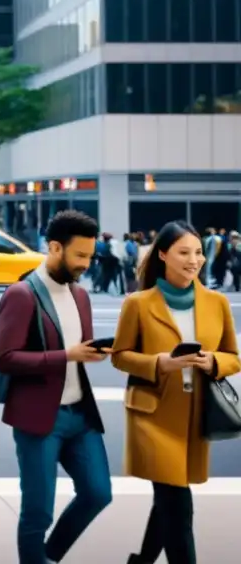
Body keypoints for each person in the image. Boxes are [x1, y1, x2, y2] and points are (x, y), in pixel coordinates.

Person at [111, 220, 240, 564]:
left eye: (198, 252)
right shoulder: (138, 303)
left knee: (168, 499)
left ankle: (141, 561)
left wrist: (213, 361)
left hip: (195, 414)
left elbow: (233, 358)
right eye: (184, 252)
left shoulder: (217, 303)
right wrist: (159, 364)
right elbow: (121, 357)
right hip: (152, 414)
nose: (194, 260)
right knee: (179, 506)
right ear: (164, 255)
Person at [0, 210, 112, 564]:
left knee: (98, 493)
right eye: (80, 256)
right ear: (55, 247)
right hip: (38, 420)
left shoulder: (81, 297)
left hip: (81, 416)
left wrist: (92, 352)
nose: (86, 265)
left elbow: (79, 349)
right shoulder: (22, 294)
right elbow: (7, 358)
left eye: (90, 257)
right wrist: (66, 355)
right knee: (38, 511)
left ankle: (48, 557)